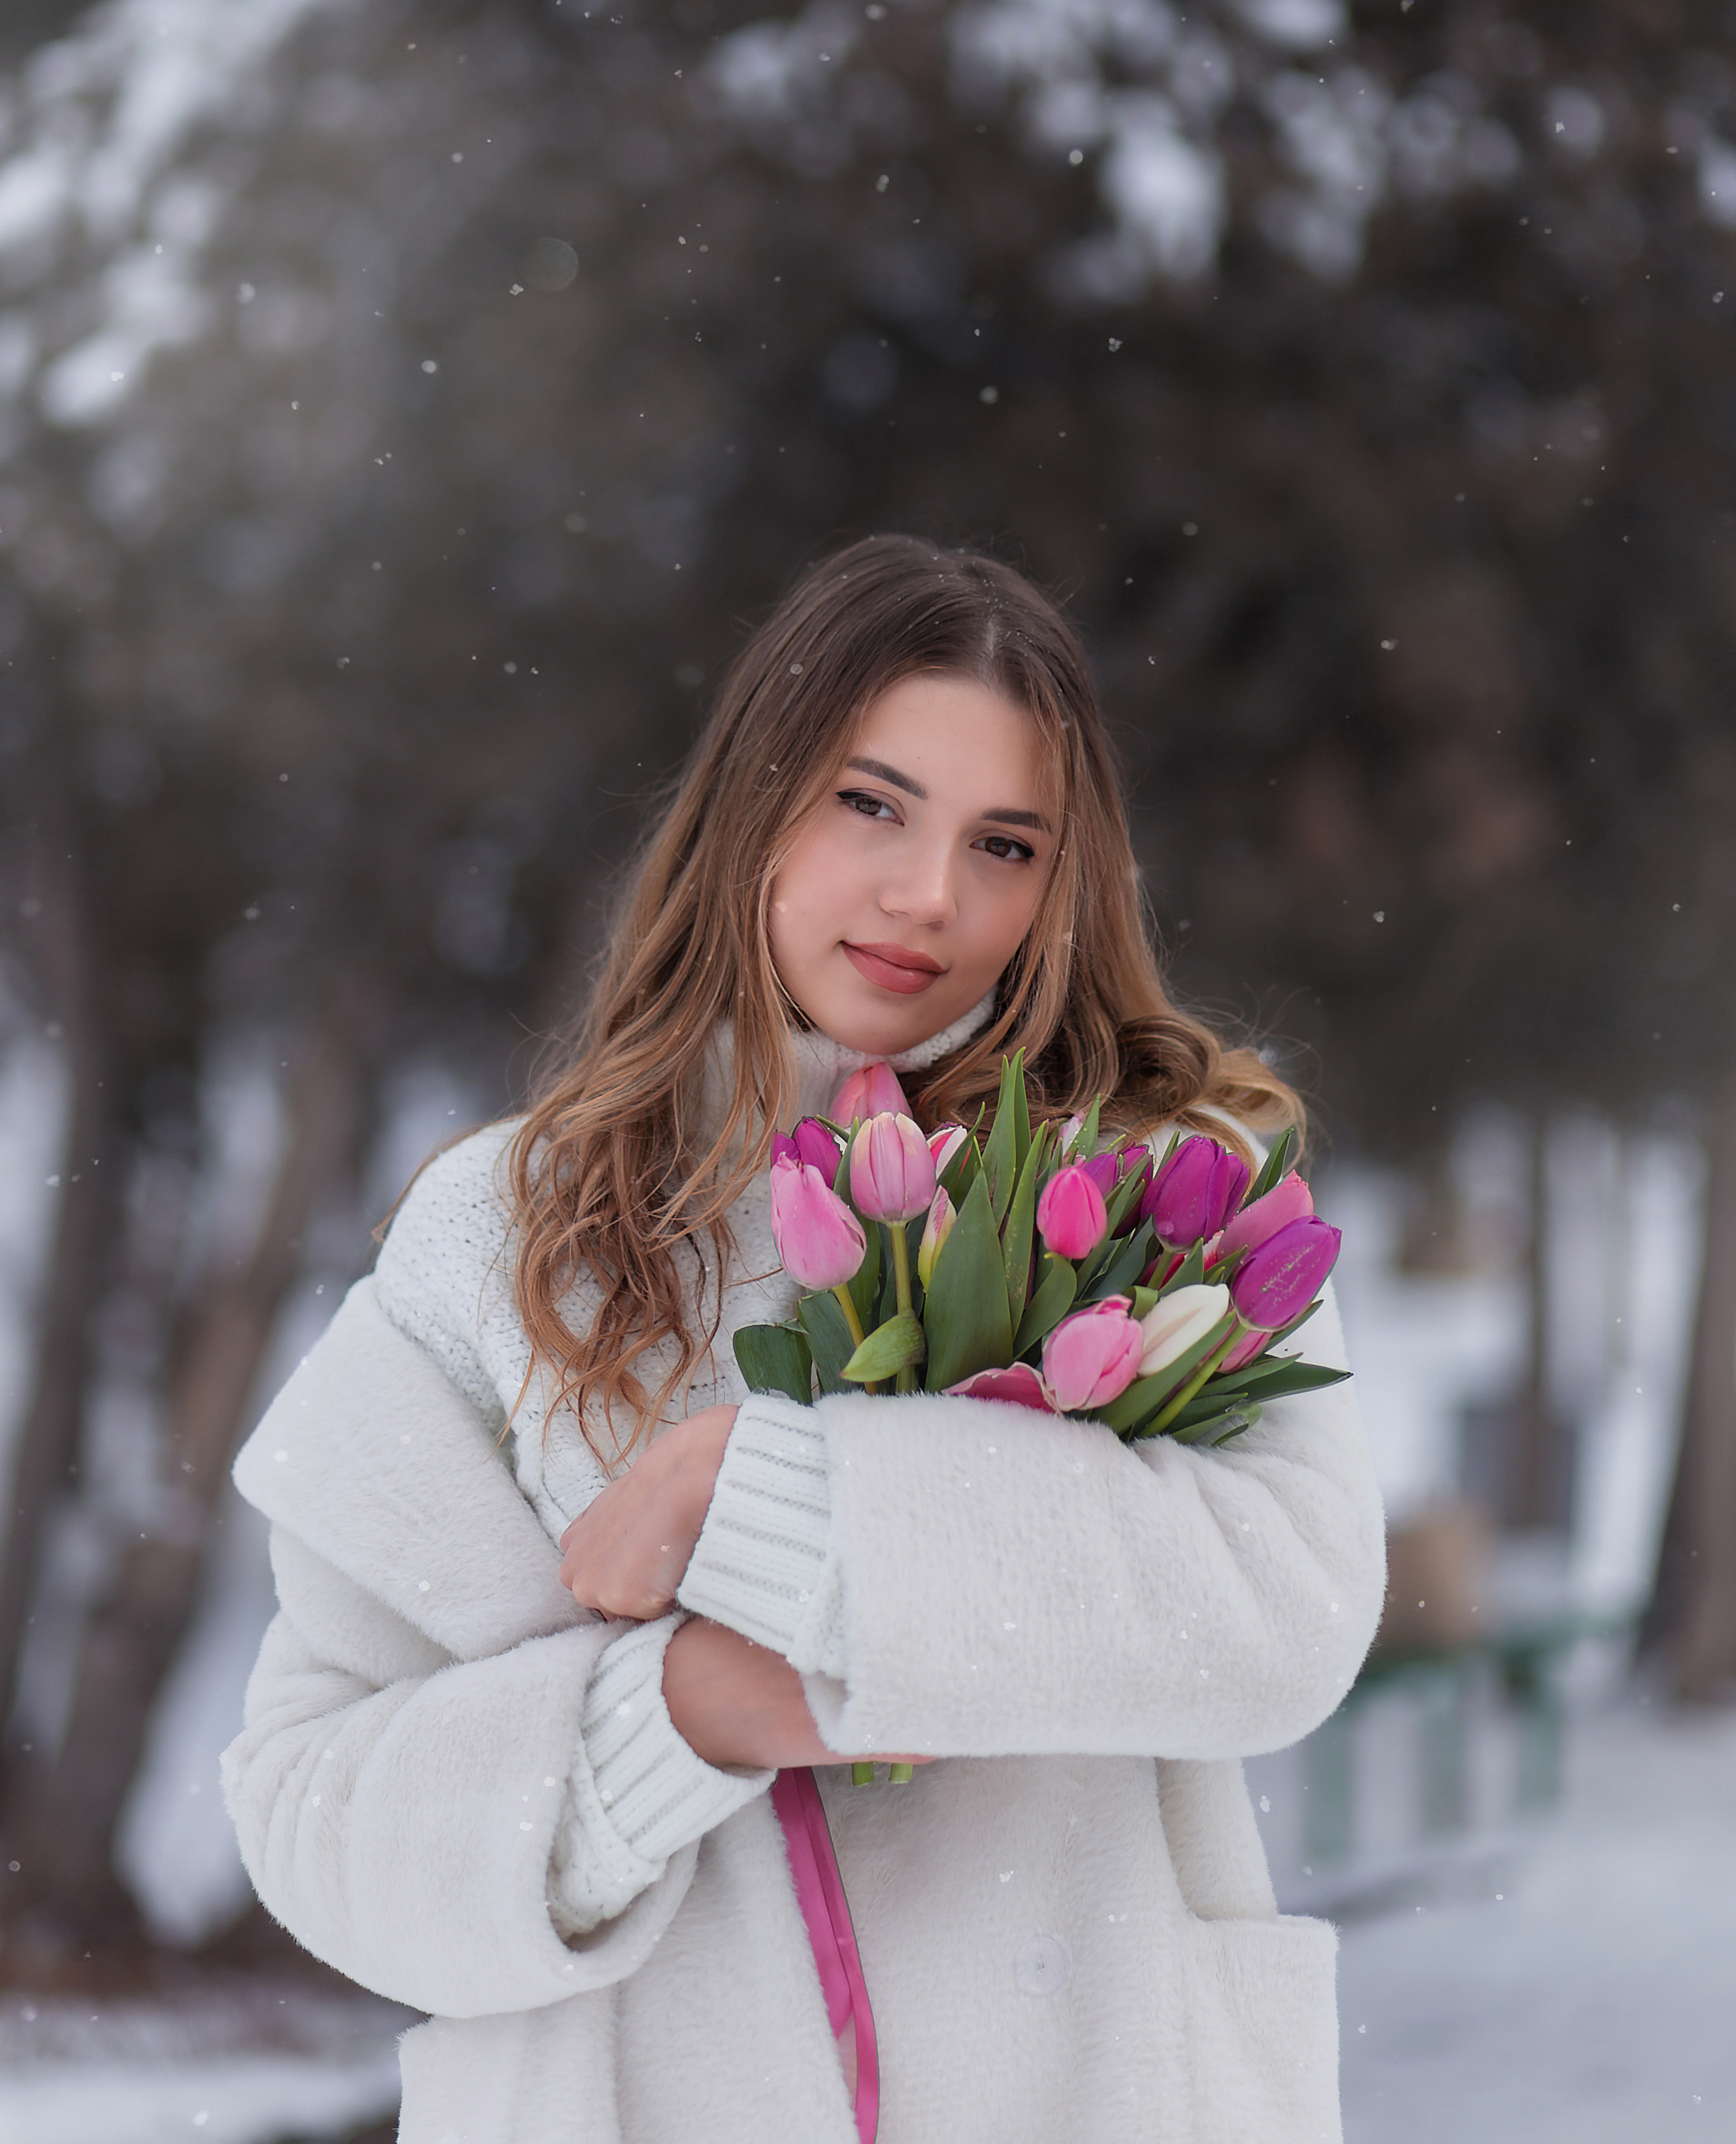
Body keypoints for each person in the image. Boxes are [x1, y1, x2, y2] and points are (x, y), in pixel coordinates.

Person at [222, 536, 1385, 2144]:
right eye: (870, 804)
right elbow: (312, 1811)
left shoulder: (1161, 1182)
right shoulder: (501, 1234)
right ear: (754, 801)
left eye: (1004, 843)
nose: (929, 894)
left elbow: (1284, 1611)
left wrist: (770, 1491)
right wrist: (683, 1716)